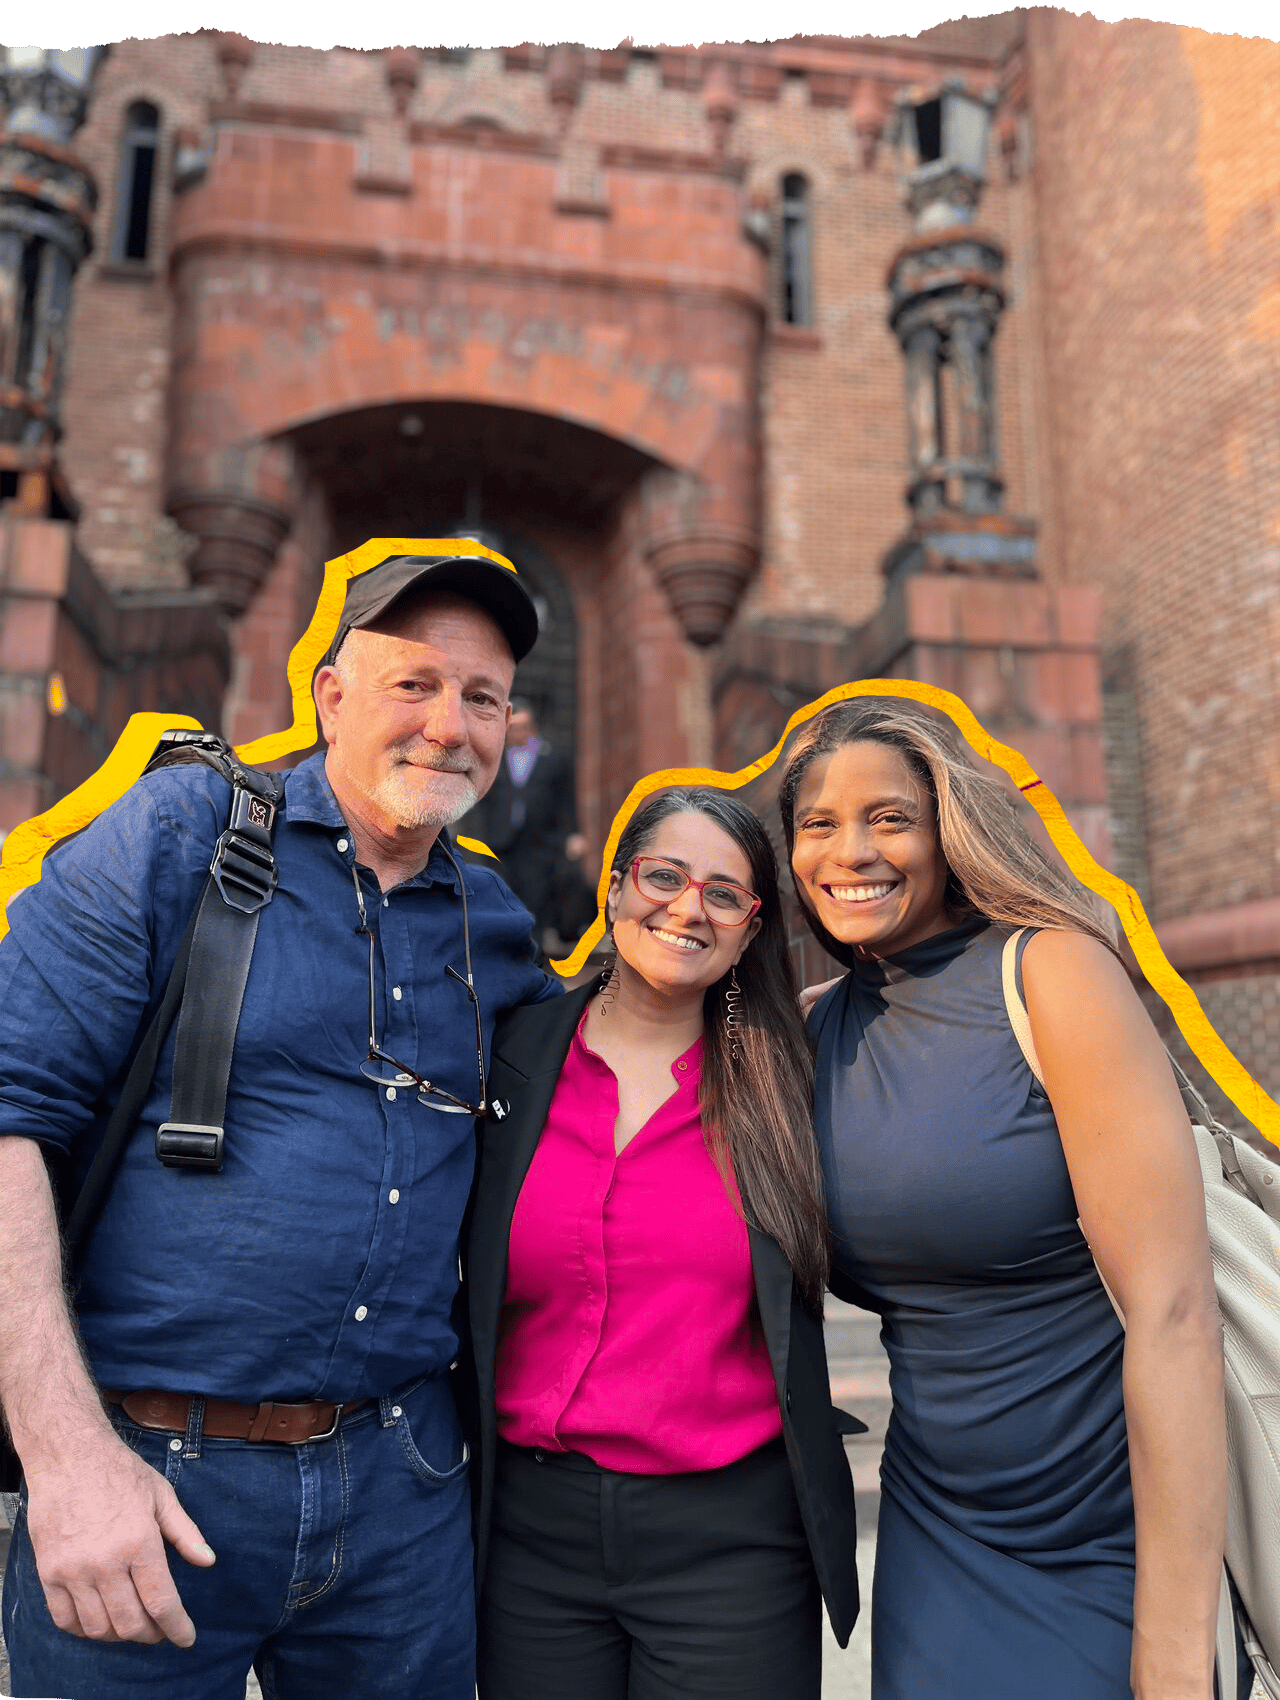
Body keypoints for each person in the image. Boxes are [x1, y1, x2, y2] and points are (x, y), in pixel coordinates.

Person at [0, 550, 561, 1700]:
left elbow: (620, 1070)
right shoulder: (178, 831)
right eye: (414, 684)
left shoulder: (494, 922)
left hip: (403, 1487)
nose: (449, 725)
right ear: (330, 696)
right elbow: (10, 1109)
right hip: (150, 1479)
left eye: (483, 696)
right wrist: (64, 1462)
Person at [777, 696, 1229, 1700]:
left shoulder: (1048, 972)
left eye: (888, 817)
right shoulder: (815, 1032)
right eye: (818, 824)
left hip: (1110, 1533)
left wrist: (1169, 1654)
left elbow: (1171, 1314)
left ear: (949, 830)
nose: (849, 850)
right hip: (936, 1532)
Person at [463, 786, 860, 1700]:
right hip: (530, 1535)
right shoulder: (509, 1054)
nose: (688, 908)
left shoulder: (789, 1077)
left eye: (726, 893)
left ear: (752, 926)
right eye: (664, 875)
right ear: (615, 886)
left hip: (730, 1541)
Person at [462, 697, 591, 950]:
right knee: (500, 901)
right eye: (513, 727)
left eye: (523, 726)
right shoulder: (493, 758)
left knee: (535, 903)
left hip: (540, 843)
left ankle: (533, 959)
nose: (518, 732)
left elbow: (567, 800)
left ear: (532, 727)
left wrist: (574, 834)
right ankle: (504, 956)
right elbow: (480, 801)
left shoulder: (554, 757)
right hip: (500, 844)